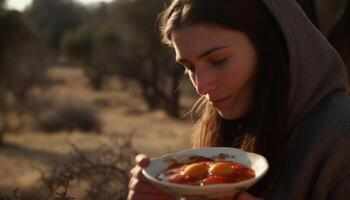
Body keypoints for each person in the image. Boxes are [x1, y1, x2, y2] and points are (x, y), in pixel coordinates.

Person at [128, 0, 350, 199]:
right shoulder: (225, 127)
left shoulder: (341, 137)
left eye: (218, 60)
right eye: (190, 67)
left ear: (270, 47)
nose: (202, 87)